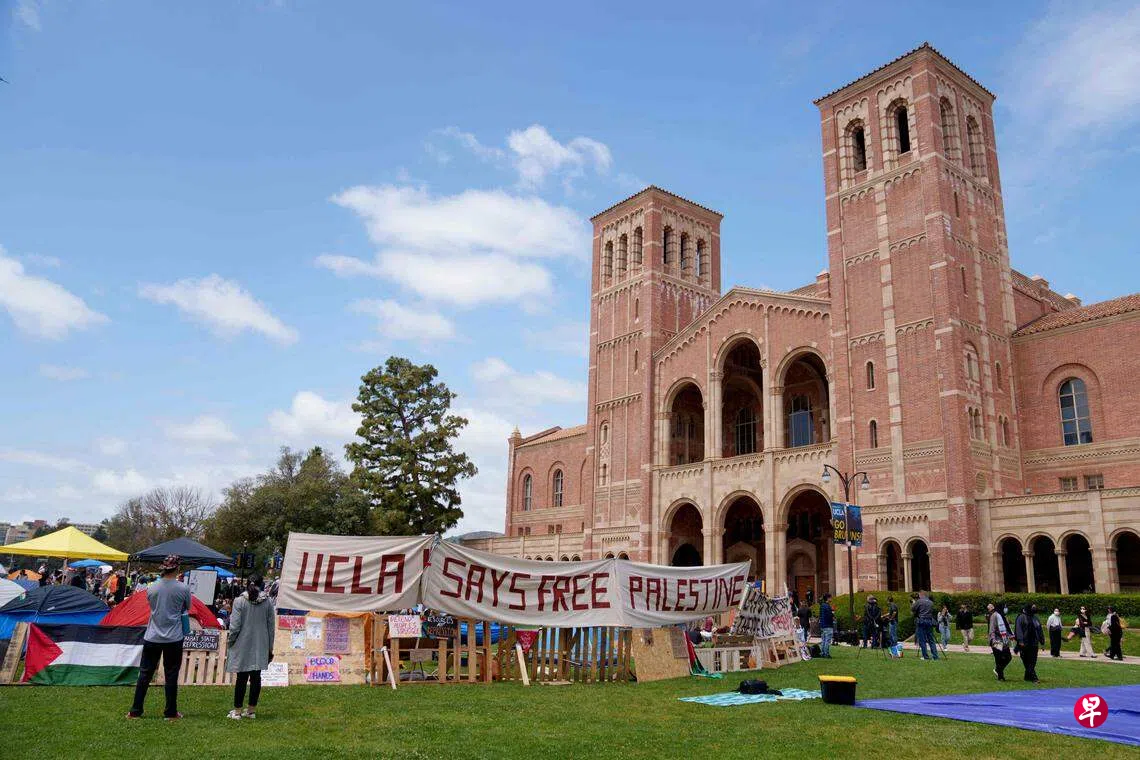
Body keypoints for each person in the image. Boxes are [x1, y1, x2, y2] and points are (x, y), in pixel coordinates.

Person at [128, 555, 191, 720]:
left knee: (145, 674)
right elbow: (186, 608)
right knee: (171, 675)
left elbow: (152, 606)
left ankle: (135, 711)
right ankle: (170, 712)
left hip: (152, 635)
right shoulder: (183, 589)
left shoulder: (152, 588)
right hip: (174, 637)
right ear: (177, 568)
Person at [225, 575, 276, 720]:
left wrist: (231, 641)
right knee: (256, 677)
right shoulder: (267, 603)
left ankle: (237, 711)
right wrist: (270, 647)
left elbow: (234, 626)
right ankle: (251, 710)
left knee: (241, 677)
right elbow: (271, 627)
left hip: (242, 642)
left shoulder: (239, 601)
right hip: (261, 643)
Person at [1014, 603, 1045, 683]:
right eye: (1033, 607)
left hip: (1034, 642)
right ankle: (1034, 678)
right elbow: (1018, 630)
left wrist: (1042, 641)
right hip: (1024, 643)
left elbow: (1039, 629)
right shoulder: (1021, 617)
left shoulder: (1035, 618)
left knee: (1033, 661)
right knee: (1027, 661)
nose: (1035, 609)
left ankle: (1027, 676)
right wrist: (1020, 641)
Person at [988, 602, 1013, 681]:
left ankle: (998, 670)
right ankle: (1001, 677)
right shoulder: (994, 616)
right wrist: (993, 640)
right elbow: (991, 629)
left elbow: (1006, 628)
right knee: (999, 658)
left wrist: (1010, 635)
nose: (1005, 609)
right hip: (997, 641)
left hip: (1004, 640)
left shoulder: (1003, 616)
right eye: (1004, 607)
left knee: (1008, 657)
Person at [911, 591, 939, 660]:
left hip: (922, 621)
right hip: (929, 621)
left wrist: (914, 603)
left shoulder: (919, 601)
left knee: (922, 640)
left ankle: (925, 656)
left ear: (921, 595)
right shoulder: (930, 602)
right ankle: (935, 656)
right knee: (931, 639)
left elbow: (913, 609)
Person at [818, 594, 834, 658]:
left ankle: (822, 653)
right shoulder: (827, 606)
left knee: (823, 640)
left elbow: (821, 615)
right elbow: (829, 616)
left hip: (822, 625)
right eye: (830, 598)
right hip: (828, 625)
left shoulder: (822, 605)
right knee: (827, 640)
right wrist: (833, 614)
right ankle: (826, 654)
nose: (831, 599)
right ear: (827, 598)